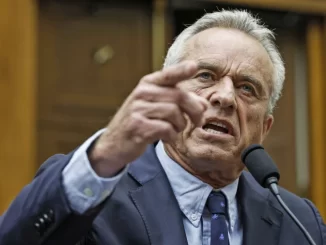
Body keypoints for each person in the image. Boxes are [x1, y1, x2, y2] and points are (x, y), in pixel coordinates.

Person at [0, 9, 325, 245]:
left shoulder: (301, 222)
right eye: (206, 76)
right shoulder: (95, 198)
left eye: (247, 88)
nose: (225, 97)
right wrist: (107, 153)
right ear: (168, 94)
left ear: (265, 128)